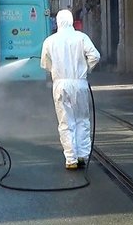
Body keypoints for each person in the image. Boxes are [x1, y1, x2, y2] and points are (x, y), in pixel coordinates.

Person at [40, 9, 100, 170]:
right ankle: (82, 155)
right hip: (79, 83)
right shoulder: (81, 37)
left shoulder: (50, 41)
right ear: (72, 20)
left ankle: (71, 159)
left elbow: (45, 63)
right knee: (82, 119)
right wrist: (86, 69)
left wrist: (56, 71)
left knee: (66, 122)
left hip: (60, 84)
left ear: (58, 22)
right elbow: (95, 56)